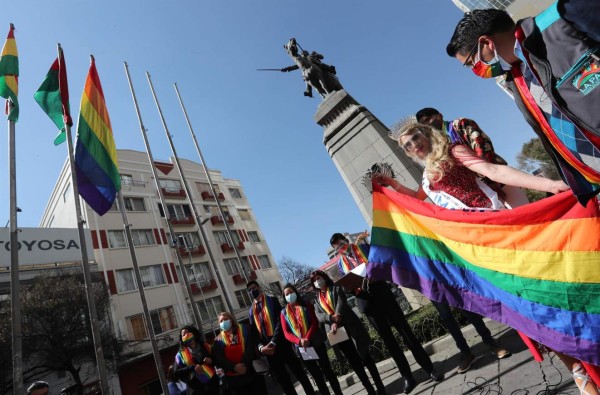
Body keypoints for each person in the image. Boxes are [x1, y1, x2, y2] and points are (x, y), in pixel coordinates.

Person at [376, 116, 599, 395]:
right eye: (407, 146)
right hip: (479, 253)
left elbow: (493, 171)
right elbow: (420, 197)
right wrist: (393, 187)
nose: (414, 147)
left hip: (499, 234)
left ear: (425, 135)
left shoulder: (453, 151)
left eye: (415, 139)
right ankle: (577, 371)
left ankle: (587, 359)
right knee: (524, 314)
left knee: (542, 300)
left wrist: (549, 185)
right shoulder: (426, 176)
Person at [446, 3, 600, 205]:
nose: (476, 71)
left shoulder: (564, 18)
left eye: (471, 63)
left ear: (486, 43)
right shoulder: (515, 80)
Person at [330, 232, 442, 392]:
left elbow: (381, 263)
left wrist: (374, 274)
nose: (340, 247)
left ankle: (429, 369)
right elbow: (346, 287)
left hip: (382, 294)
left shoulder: (363, 247)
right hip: (367, 303)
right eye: (336, 247)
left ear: (345, 240)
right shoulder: (341, 264)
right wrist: (352, 287)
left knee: (406, 333)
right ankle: (408, 377)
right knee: (390, 343)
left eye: (340, 243)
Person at [311, 269, 388, 395]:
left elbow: (341, 302)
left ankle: (380, 387)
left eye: (318, 278)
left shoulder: (336, 288)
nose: (317, 282)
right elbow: (319, 315)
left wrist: (336, 318)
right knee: (354, 363)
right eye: (314, 281)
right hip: (337, 333)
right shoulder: (316, 300)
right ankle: (370, 389)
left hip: (350, 326)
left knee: (365, 356)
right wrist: (330, 318)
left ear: (324, 278)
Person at [246, 280, 315, 395]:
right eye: (250, 290)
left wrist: (274, 341)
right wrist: (260, 347)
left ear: (259, 287)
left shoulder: (271, 300)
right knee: (283, 380)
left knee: (298, 372)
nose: (252, 290)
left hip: (281, 344)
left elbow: (280, 321)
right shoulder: (250, 311)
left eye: (254, 287)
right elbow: (254, 332)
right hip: (269, 351)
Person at [280, 283, 344, 395]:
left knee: (328, 371)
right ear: (284, 297)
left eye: (291, 292)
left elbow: (314, 322)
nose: (289, 295)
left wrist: (307, 338)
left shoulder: (306, 305)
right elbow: (286, 333)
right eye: (286, 294)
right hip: (304, 349)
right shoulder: (284, 313)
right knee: (318, 377)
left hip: (316, 343)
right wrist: (299, 341)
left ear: (295, 292)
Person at [212, 311, 267, 395]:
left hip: (251, 371)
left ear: (231, 320)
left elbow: (250, 347)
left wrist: (242, 365)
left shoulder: (245, 329)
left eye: (225, 319)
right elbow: (220, 359)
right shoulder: (217, 341)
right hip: (235, 380)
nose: (223, 322)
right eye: (221, 321)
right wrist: (235, 367)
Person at [173, 325, 220, 395]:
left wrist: (211, 360)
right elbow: (176, 373)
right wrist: (192, 367)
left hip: (213, 386)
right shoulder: (180, 355)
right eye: (184, 335)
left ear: (193, 333)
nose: (186, 335)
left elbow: (217, 360)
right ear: (182, 339)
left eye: (188, 333)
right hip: (195, 389)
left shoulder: (205, 346)